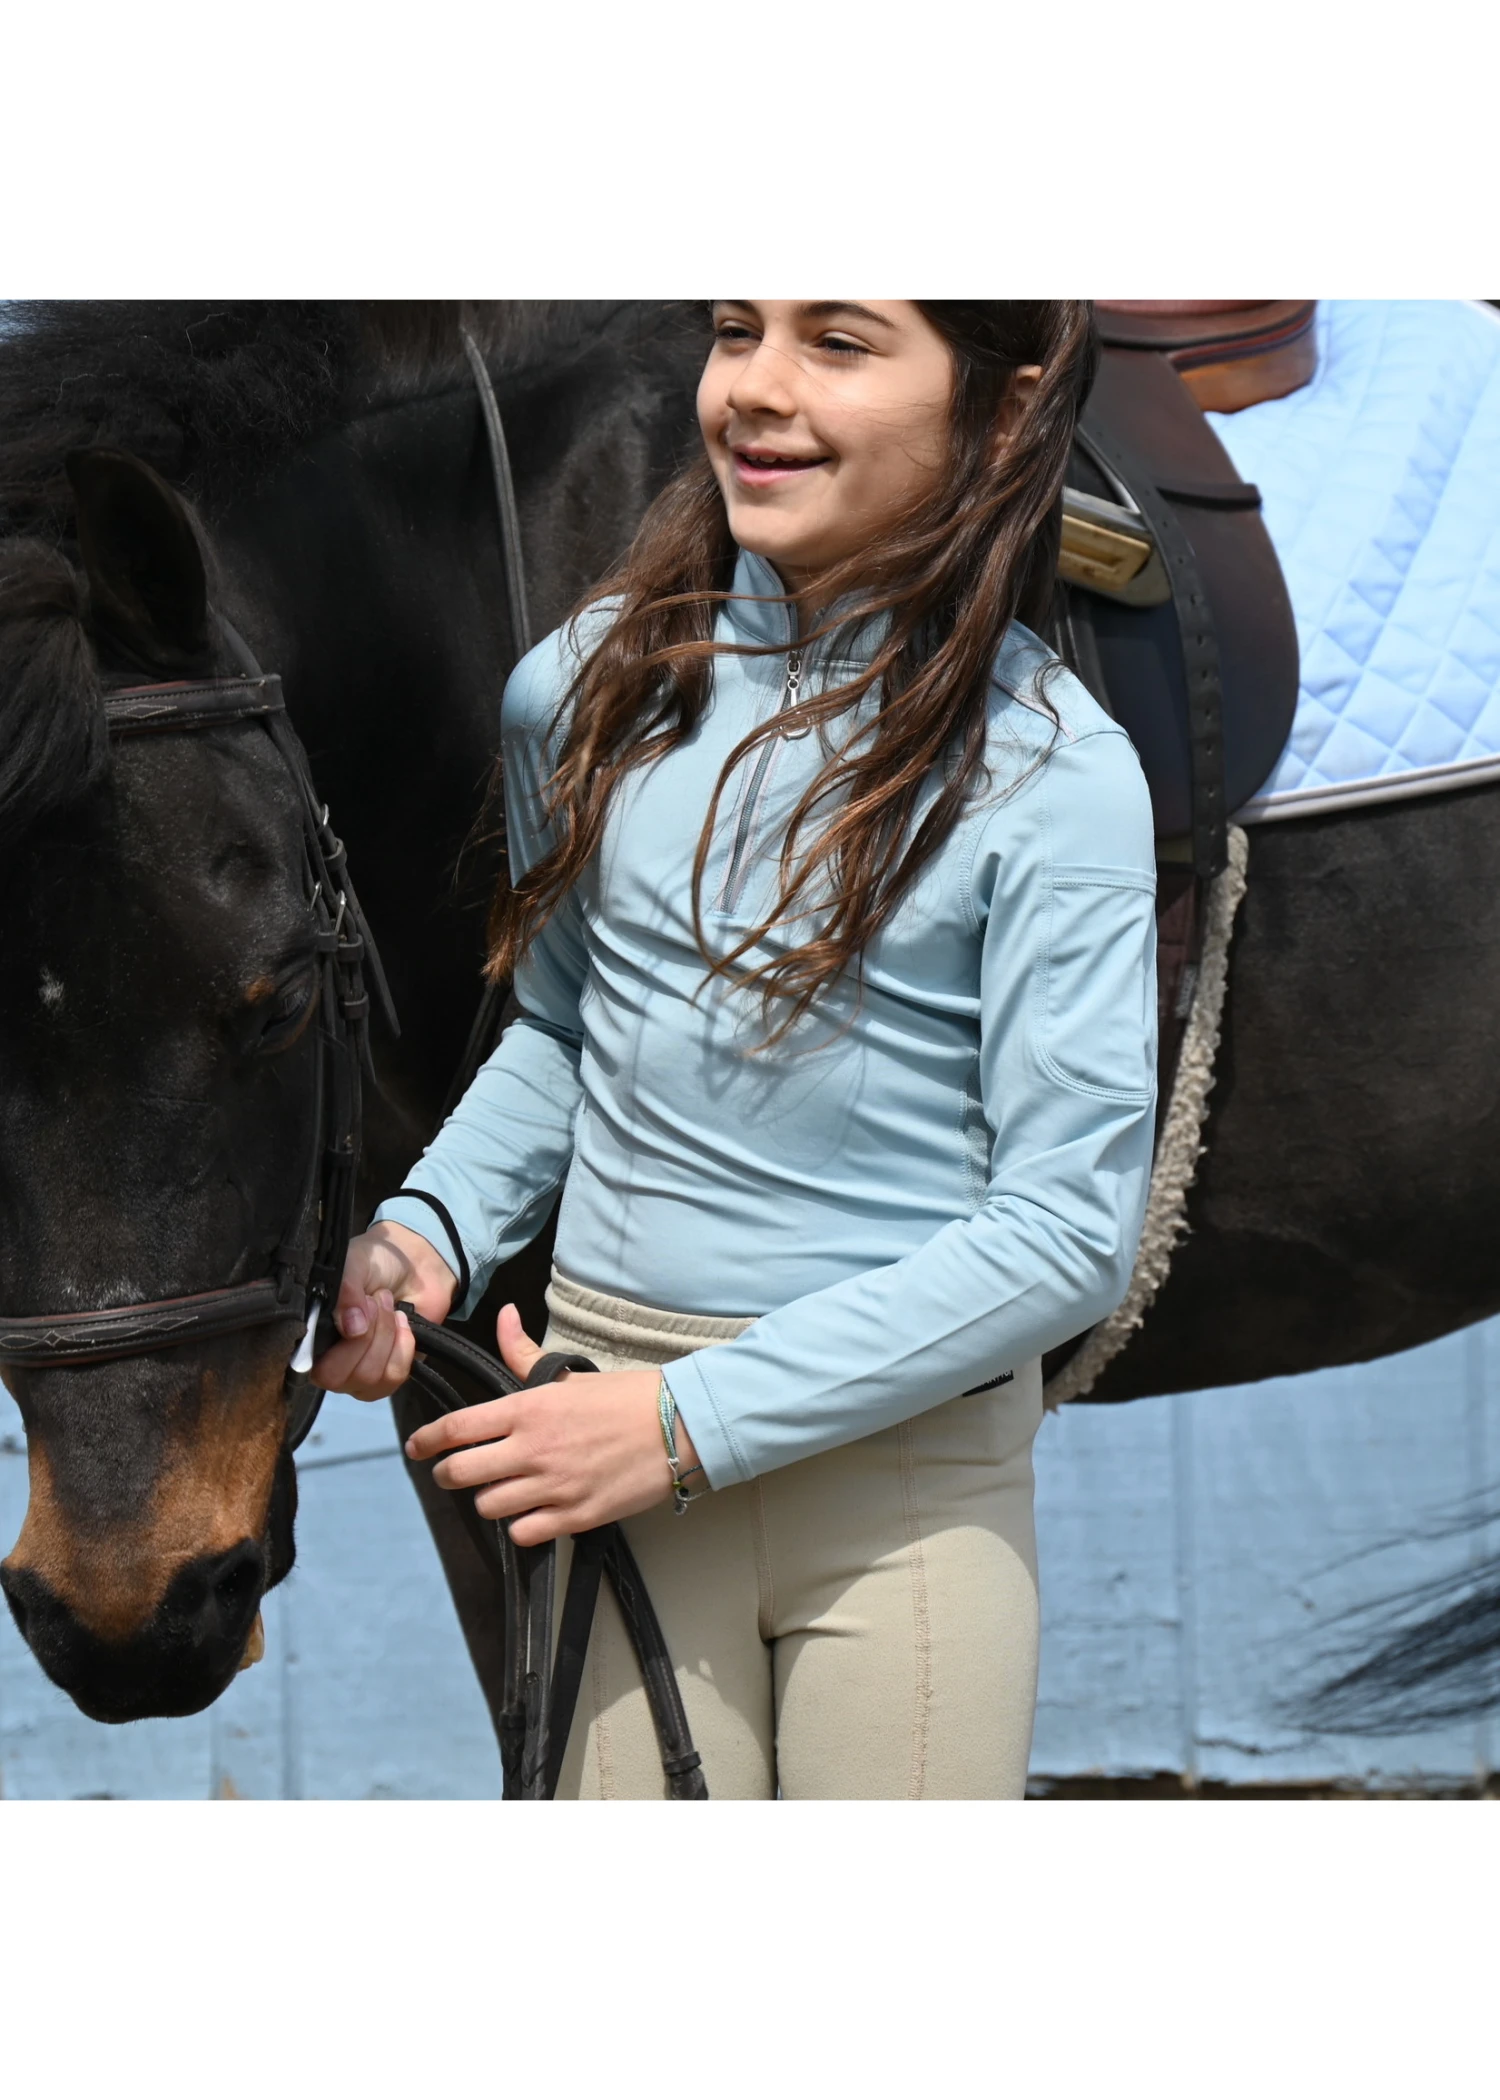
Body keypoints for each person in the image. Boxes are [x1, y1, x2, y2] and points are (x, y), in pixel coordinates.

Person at [311, 300, 1158, 1799]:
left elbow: (1067, 1235)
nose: (757, 390)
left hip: (900, 1509)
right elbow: (570, 1029)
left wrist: (682, 1426)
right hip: (607, 1460)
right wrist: (428, 1231)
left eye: (838, 342)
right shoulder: (577, 692)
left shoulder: (1058, 776)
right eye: (734, 328)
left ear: (1008, 405)